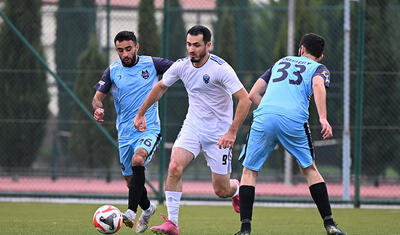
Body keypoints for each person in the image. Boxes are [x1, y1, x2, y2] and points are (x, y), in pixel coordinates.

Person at [134, 25, 251, 235]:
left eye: (196, 45)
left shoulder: (221, 68)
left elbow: (245, 99)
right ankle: (172, 223)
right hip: (193, 127)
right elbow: (160, 87)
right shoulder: (182, 66)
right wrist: (141, 112)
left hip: (219, 135)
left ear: (208, 45)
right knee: (174, 167)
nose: (191, 49)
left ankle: (236, 187)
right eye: (189, 44)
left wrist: (232, 132)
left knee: (221, 190)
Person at [235, 33, 346, 235]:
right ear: (320, 56)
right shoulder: (319, 68)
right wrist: (323, 118)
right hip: (294, 120)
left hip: (264, 117)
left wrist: (271, 110)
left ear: (301, 49)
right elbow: (318, 84)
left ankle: (245, 229)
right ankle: (330, 224)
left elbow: (253, 95)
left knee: (249, 172)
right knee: (310, 170)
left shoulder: (281, 62)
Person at [92, 31, 173, 233]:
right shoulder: (112, 71)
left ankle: (130, 212)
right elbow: (97, 97)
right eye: (120, 50)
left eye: (128, 49)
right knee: (131, 182)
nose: (125, 53)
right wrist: (98, 107)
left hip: (149, 128)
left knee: (139, 160)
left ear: (137, 46)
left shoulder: (152, 64)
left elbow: (180, 68)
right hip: (125, 134)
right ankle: (147, 209)